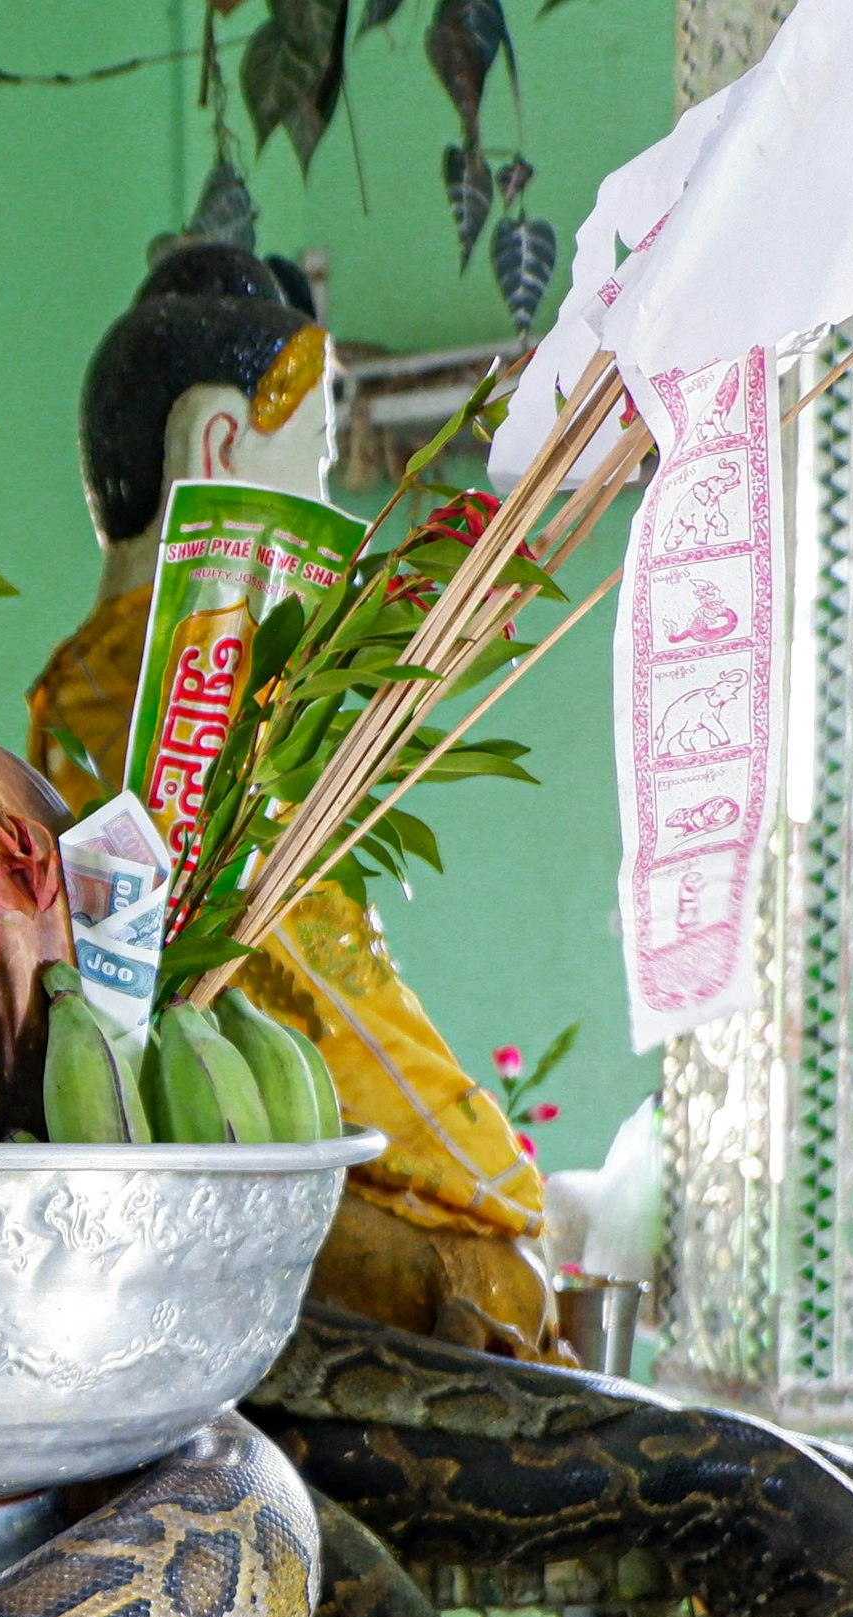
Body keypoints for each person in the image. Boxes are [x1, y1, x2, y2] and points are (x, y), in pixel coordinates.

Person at [29, 244, 561, 1359]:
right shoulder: (177, 694)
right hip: (207, 1187)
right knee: (500, 1284)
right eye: (309, 466)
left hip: (149, 1174)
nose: (328, 506)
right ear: (218, 450)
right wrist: (499, 1185)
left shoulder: (72, 682)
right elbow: (333, 996)